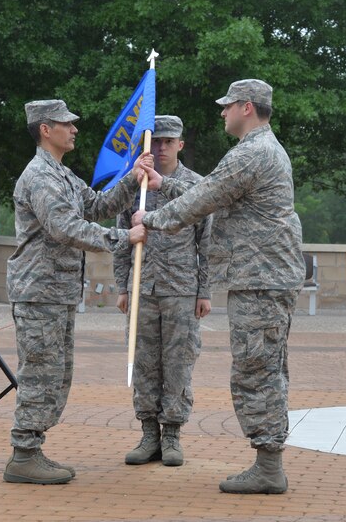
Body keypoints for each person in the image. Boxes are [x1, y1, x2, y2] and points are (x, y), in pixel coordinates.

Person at [132, 80, 305, 494]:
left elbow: (205, 197)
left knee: (255, 371)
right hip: (263, 278)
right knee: (264, 368)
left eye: (227, 107)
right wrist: (164, 185)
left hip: (261, 280)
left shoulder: (253, 152)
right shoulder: (262, 150)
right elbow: (212, 188)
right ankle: (267, 461)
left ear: (246, 107)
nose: (222, 113)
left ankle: (267, 467)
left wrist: (150, 220)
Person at [4, 99, 153, 485]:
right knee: (40, 372)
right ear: (44, 129)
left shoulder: (62, 176)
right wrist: (124, 237)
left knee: (56, 374)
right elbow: (66, 228)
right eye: (65, 124)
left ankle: (32, 448)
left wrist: (132, 176)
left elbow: (97, 205)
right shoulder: (39, 177)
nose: (74, 129)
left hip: (56, 291)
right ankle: (23, 455)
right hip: (39, 291)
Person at [114, 115, 212, 467]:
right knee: (143, 364)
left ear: (181, 145)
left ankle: (172, 435)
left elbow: (208, 243)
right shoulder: (135, 184)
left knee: (178, 363)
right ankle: (148, 435)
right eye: (155, 141)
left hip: (181, 288)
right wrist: (122, 286)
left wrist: (205, 291)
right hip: (142, 286)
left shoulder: (197, 186)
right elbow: (122, 240)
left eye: (169, 141)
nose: (161, 147)